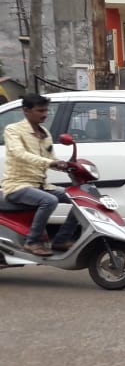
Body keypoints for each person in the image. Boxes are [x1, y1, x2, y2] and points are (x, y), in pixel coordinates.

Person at [2, 94, 79, 257]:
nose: (44, 114)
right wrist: (50, 163)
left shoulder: (45, 133)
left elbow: (51, 159)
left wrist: (69, 166)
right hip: (17, 185)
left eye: (46, 110)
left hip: (42, 185)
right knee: (49, 200)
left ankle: (61, 239)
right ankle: (32, 242)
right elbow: (19, 153)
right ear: (26, 111)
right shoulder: (13, 130)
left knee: (79, 198)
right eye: (40, 110)